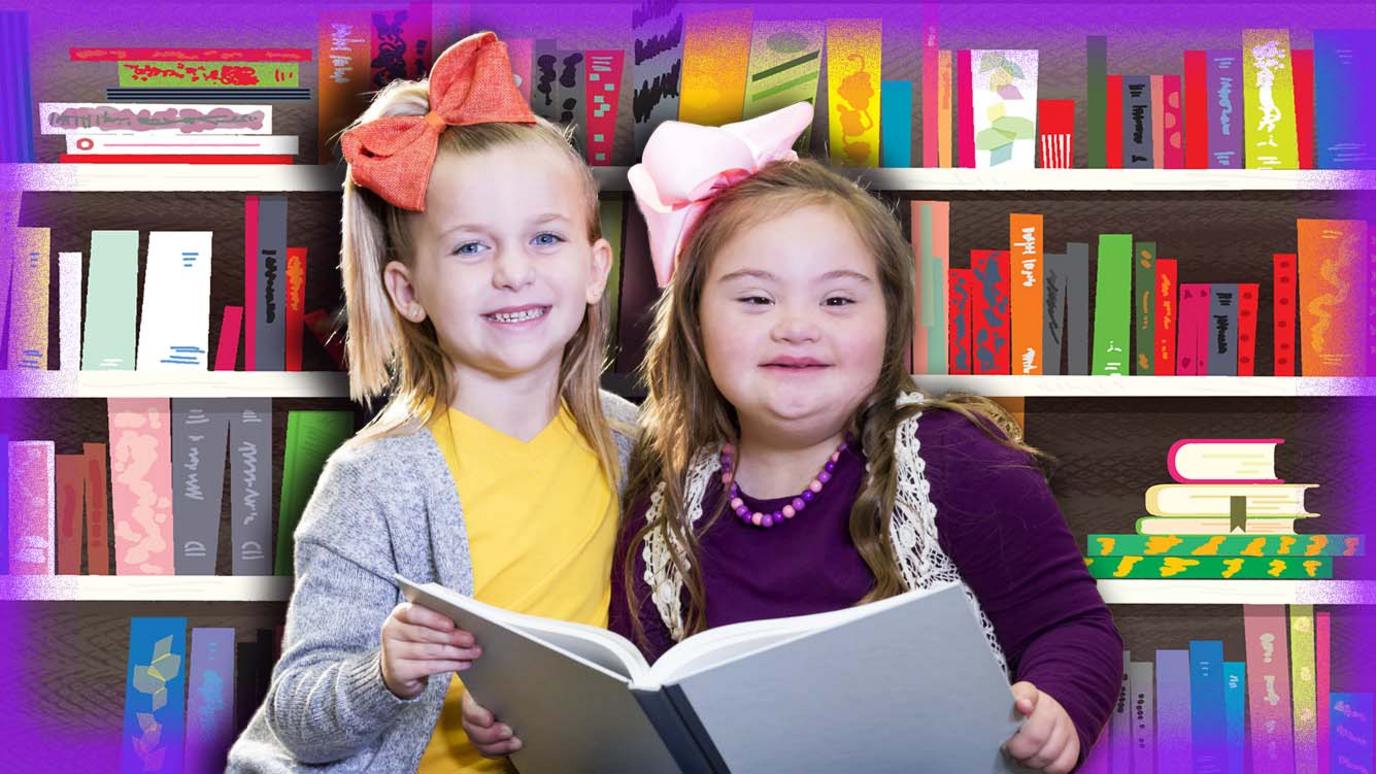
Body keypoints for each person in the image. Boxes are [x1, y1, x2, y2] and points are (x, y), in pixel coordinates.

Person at [464, 101, 1123, 774]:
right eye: (756, 299)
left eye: (837, 300)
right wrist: (540, 711)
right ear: (694, 322)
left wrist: (1058, 707)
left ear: (891, 320)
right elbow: (638, 690)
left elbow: (1070, 627)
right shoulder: (668, 497)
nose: (797, 326)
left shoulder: (948, 460)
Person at [226, 31, 634, 773]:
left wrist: (542, 715)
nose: (514, 272)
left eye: (545, 238)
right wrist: (383, 673)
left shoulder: (635, 441)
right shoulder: (375, 481)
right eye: (471, 248)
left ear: (594, 267)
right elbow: (298, 717)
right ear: (408, 292)